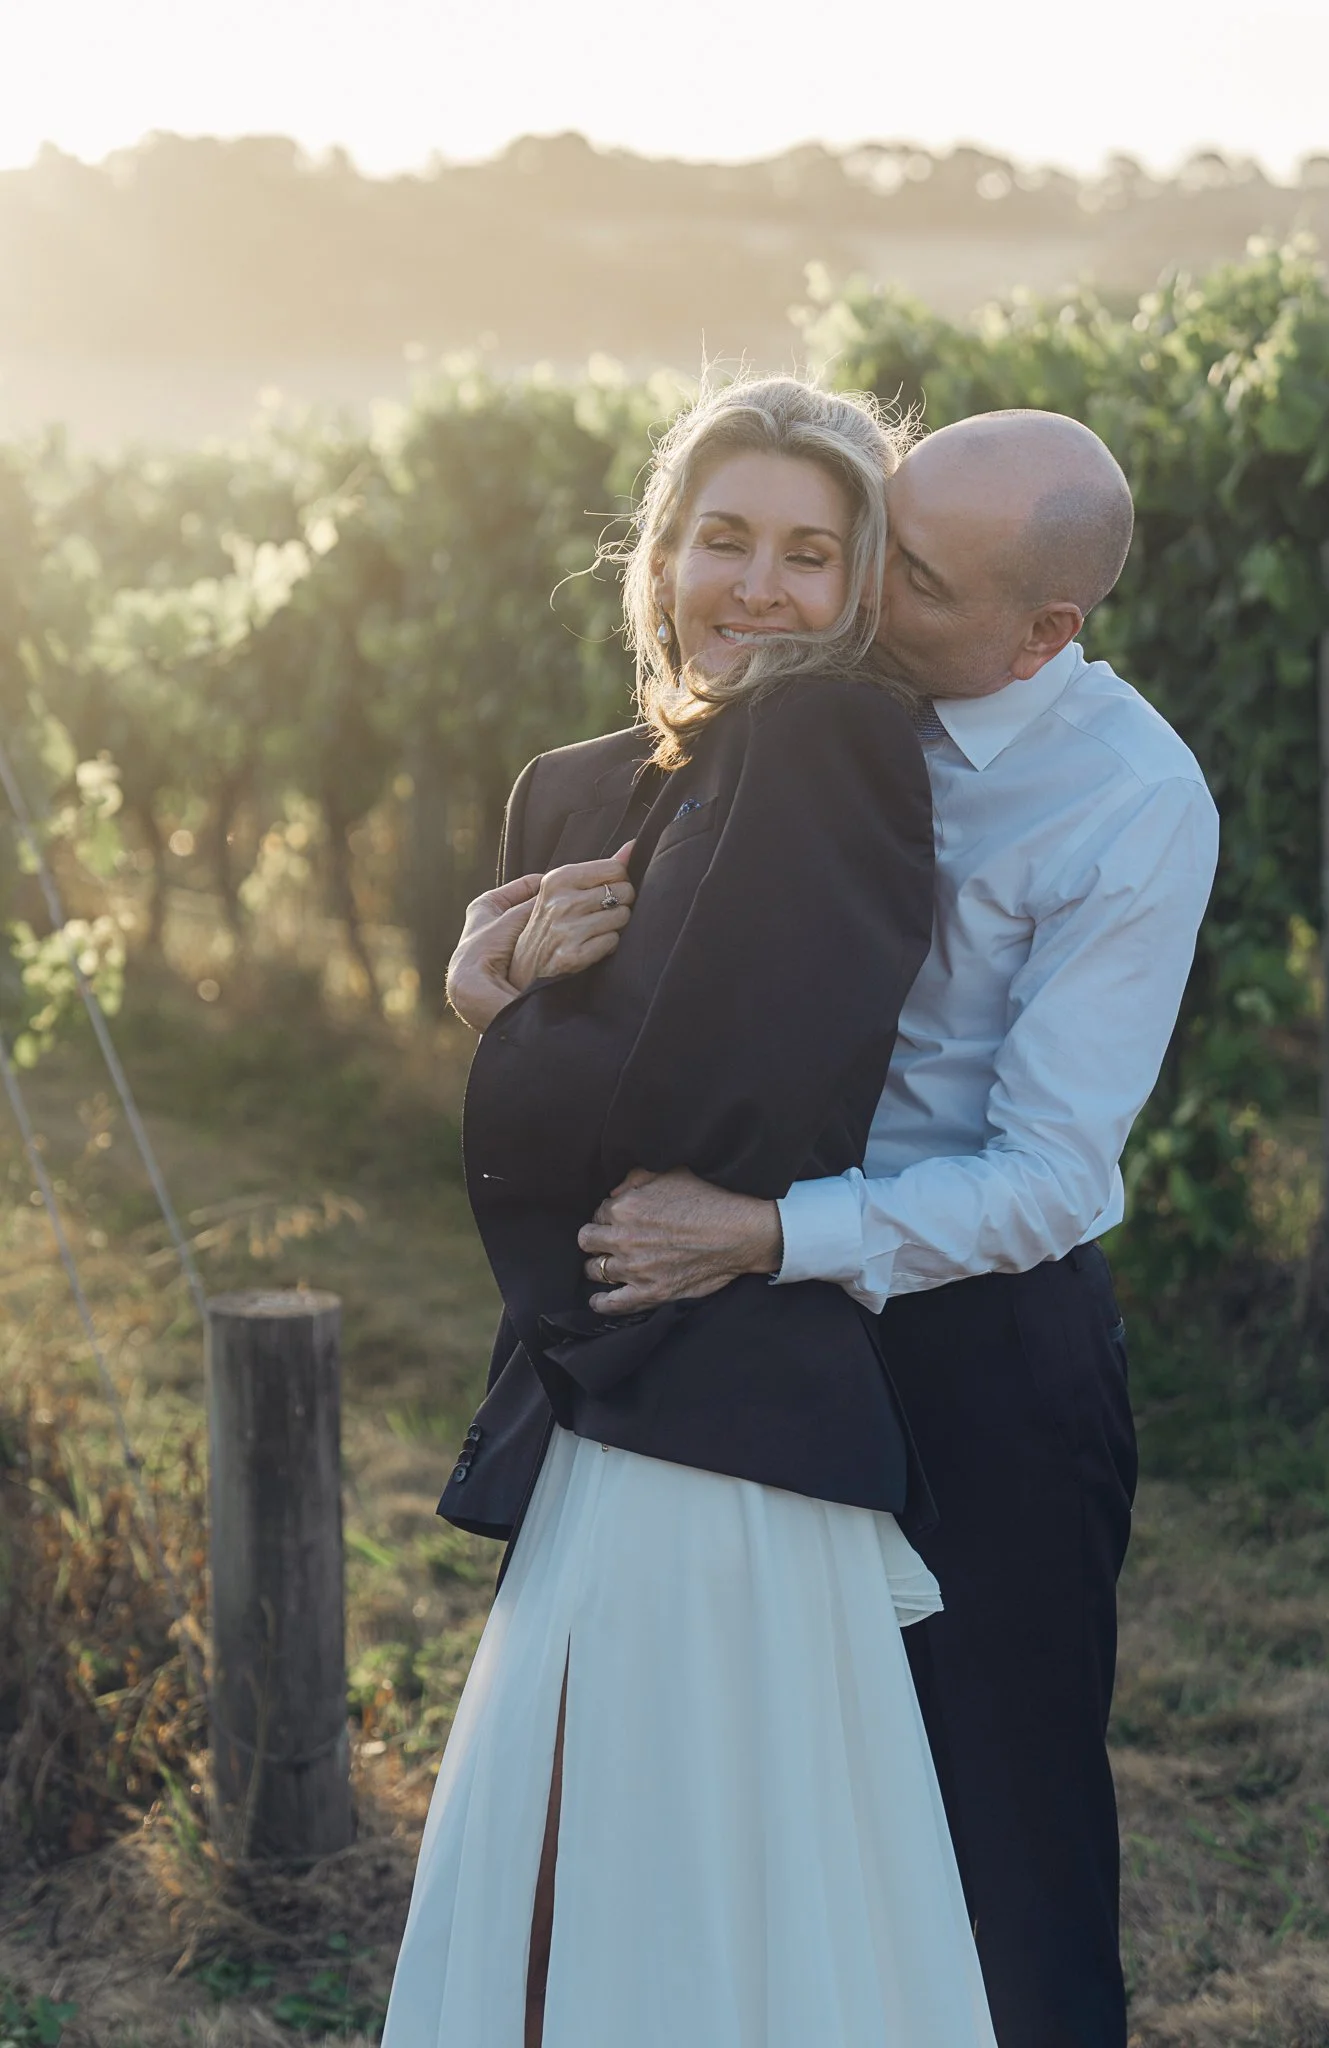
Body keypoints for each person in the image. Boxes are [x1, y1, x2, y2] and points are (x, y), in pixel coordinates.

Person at [564, 411, 1222, 2048]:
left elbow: (1051, 1178)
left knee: (1003, 1833)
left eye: (906, 574)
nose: (855, 594)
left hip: (977, 1355)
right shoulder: (794, 711)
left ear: (1041, 632)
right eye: (878, 536)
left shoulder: (1131, 803)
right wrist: (491, 979)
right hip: (753, 1341)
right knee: (790, 1825)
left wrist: (768, 1235)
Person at [381, 378, 998, 2048]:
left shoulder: (829, 741)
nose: (761, 589)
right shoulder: (586, 783)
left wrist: (506, 1011)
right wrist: (506, 995)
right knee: (627, 1879)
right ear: (658, 561)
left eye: (812, 555)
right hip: (614, 1398)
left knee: (671, 1881)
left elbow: (692, 1119)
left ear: (863, 590)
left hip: (722, 1408)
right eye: (725, 539)